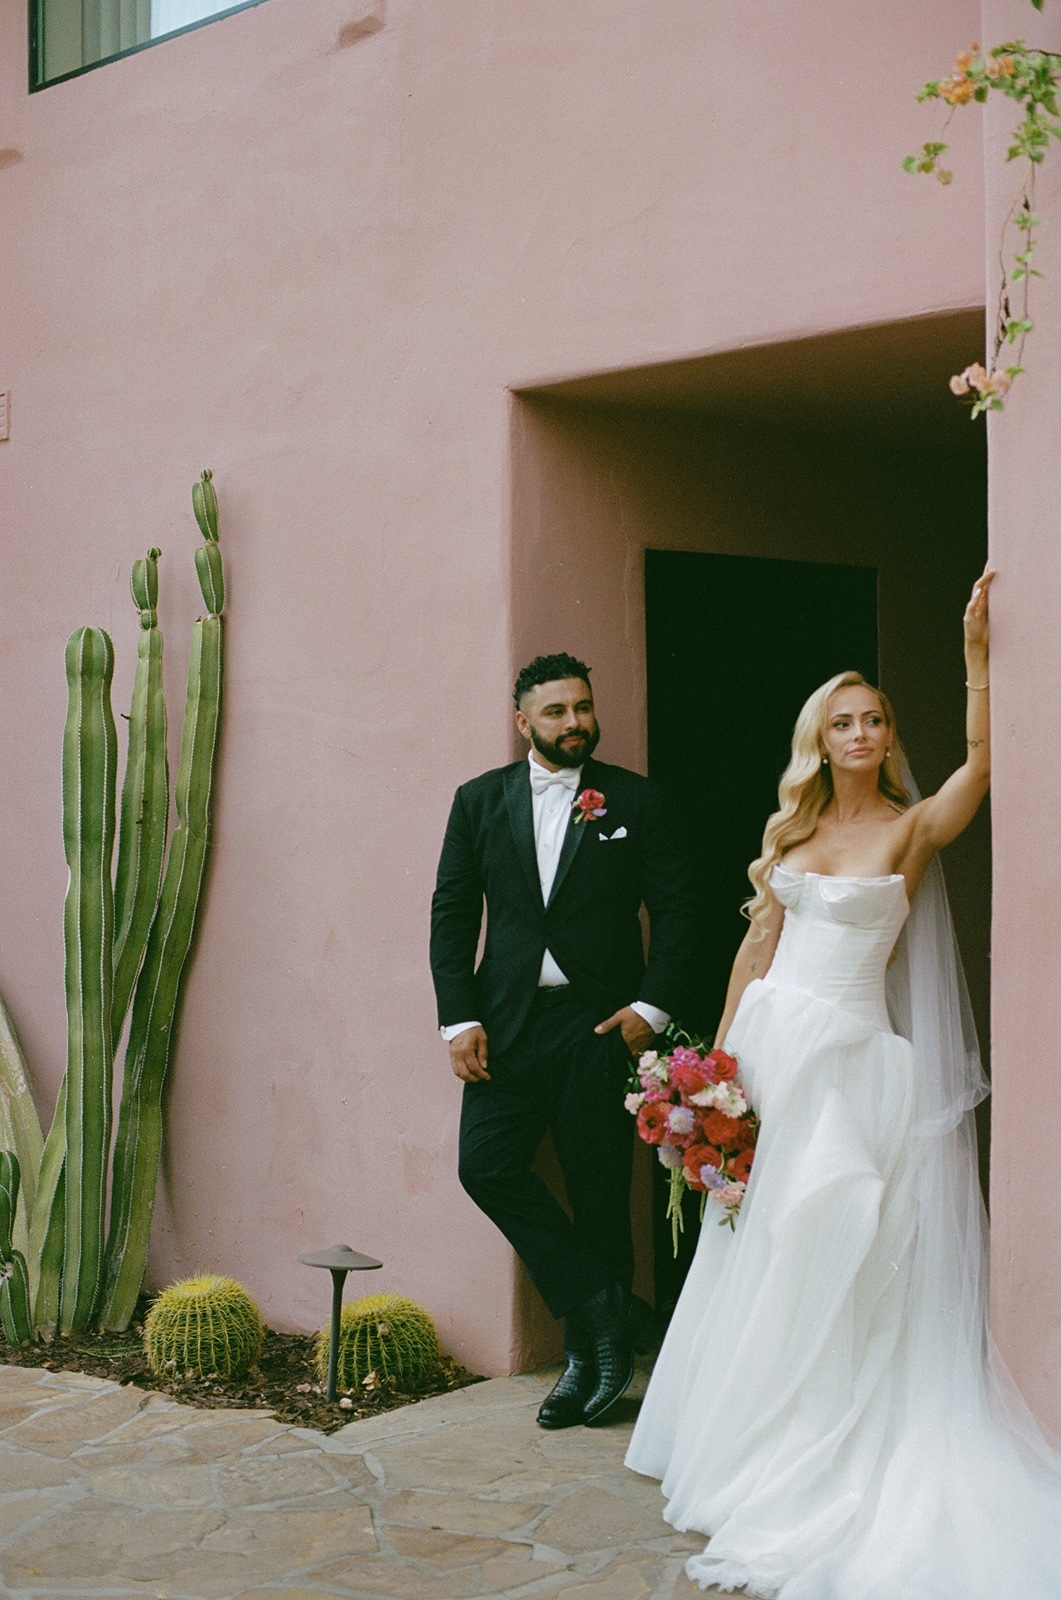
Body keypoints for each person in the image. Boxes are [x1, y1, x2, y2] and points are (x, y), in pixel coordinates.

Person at [628, 570, 1061, 1598]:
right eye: (842, 722)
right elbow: (754, 952)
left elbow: (984, 763)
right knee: (759, 1239)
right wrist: (708, 1073)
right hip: (768, 1053)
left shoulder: (909, 829)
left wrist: (973, 660)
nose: (860, 732)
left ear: (886, 734)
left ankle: (819, 1435)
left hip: (854, 1060)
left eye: (872, 719)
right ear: (818, 743)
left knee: (836, 1228)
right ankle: (744, 1430)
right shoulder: (789, 833)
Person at [431, 652, 697, 1429]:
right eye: (555, 711)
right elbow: (452, 913)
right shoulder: (478, 801)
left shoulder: (635, 799)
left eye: (582, 707)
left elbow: (679, 908)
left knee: (598, 1192)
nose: (574, 722)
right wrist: (459, 1018)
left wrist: (650, 1006)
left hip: (598, 1025)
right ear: (524, 723)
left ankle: (590, 1361)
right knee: (484, 1164)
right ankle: (609, 1308)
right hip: (505, 1027)